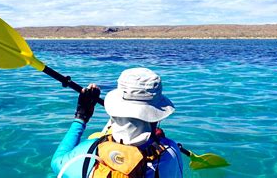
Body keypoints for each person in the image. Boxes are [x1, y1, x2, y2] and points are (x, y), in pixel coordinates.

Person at [51, 68, 183, 178]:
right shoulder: (171, 153)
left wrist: (81, 117)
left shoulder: (87, 152)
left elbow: (57, 162)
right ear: (156, 116)